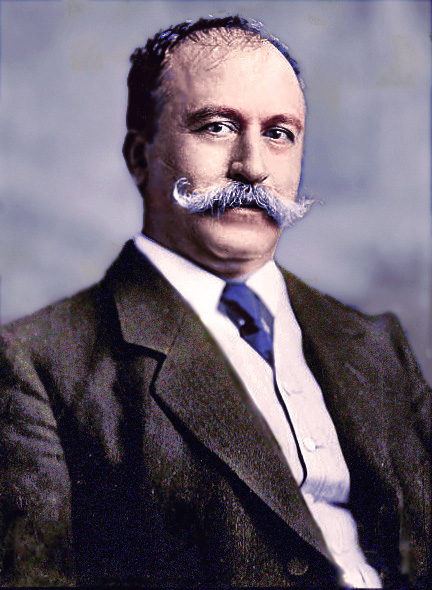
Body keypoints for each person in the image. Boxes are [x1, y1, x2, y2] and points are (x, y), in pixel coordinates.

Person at [0, 15, 430, 589]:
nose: (253, 166)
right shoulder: (35, 363)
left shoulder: (374, 342)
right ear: (140, 156)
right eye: (218, 127)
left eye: (280, 133)